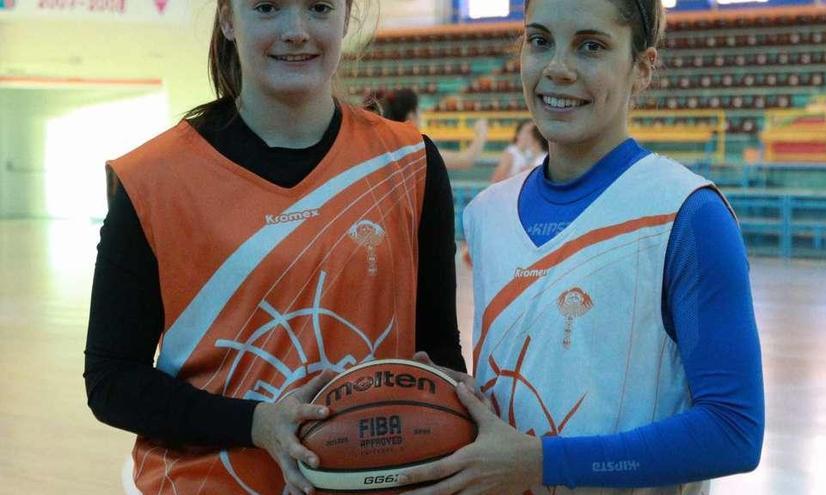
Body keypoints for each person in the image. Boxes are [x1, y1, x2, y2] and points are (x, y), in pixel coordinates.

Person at [83, 1, 466, 494]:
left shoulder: (410, 162)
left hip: (368, 482)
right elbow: (112, 381)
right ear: (227, 19)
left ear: (345, 19)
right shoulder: (152, 179)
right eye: (267, 7)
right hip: (203, 482)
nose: (296, 31)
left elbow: (438, 354)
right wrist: (255, 423)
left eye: (319, 8)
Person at [399, 0, 764, 493]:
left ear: (642, 68)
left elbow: (733, 431)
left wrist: (543, 462)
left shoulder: (688, 215)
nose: (557, 69)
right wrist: (453, 397)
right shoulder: (487, 213)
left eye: (590, 46)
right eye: (540, 40)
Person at [379, 88, 490, 170]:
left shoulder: (387, 147)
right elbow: (464, 160)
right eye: (419, 110)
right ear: (411, 115)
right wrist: (481, 133)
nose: (421, 115)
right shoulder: (416, 148)